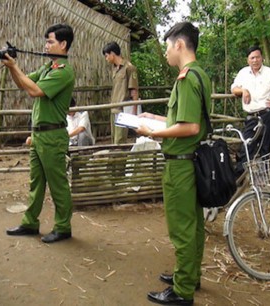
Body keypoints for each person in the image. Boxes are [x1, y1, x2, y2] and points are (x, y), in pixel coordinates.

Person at [136, 22, 210, 305]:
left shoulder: (187, 78)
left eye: (167, 46)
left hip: (180, 165)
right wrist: (155, 120)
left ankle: (182, 291)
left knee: (182, 228)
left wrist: (151, 132)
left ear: (179, 45)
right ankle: (189, 275)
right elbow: (185, 120)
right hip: (190, 160)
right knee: (193, 225)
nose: (166, 52)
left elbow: (189, 127)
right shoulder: (200, 75)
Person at [2, 24, 75, 243]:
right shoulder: (47, 68)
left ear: (63, 44)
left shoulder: (64, 72)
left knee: (57, 183)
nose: (46, 45)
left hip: (53, 136)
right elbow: (24, 83)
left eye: (50, 41)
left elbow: (35, 91)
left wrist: (15, 66)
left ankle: (63, 227)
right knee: (36, 182)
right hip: (39, 135)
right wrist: (11, 67)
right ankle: (30, 223)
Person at [231, 46, 270, 177]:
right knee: (247, 144)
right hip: (251, 116)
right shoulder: (243, 73)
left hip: (267, 113)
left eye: (257, 57)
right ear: (247, 60)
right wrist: (243, 91)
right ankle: (241, 176)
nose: (255, 60)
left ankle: (265, 177)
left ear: (262, 58)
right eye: (252, 58)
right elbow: (234, 88)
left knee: (266, 145)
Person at [103, 42, 139, 144]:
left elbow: (134, 91)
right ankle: (116, 159)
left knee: (120, 141)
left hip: (123, 109)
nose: (106, 59)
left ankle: (121, 160)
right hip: (114, 108)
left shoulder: (129, 68)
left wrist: (134, 113)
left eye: (106, 56)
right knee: (114, 140)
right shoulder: (114, 69)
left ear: (112, 54)